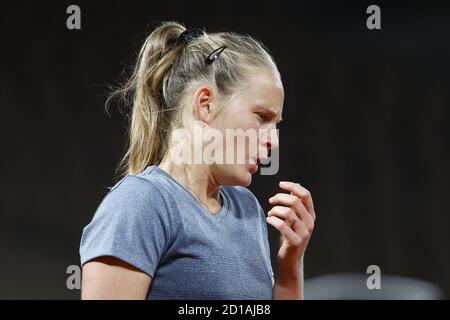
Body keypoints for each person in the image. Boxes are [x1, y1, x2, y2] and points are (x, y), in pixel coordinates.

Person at [79, 21, 316, 300]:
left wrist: (290, 267)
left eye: (276, 125)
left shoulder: (247, 210)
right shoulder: (141, 204)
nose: (273, 142)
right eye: (262, 117)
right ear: (205, 104)